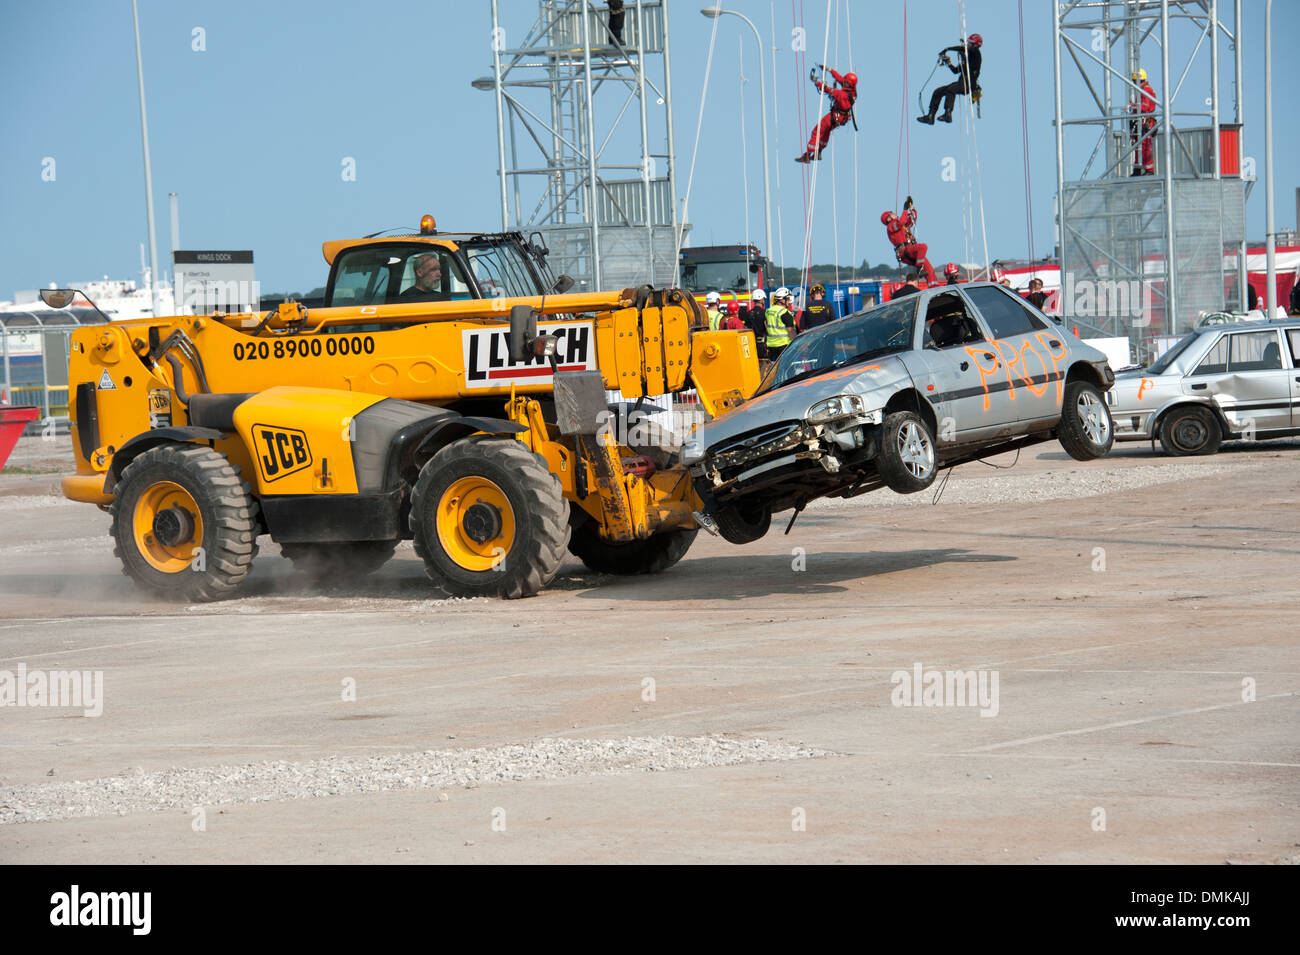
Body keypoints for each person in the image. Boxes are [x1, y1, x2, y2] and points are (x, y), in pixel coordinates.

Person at [918, 34, 982, 125]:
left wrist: (948, 49)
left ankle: (948, 113)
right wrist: (948, 63)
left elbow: (964, 49)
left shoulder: (976, 54)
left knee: (951, 89)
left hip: (969, 84)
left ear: (975, 45)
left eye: (970, 43)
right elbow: (956, 71)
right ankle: (930, 116)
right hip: (962, 83)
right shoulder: (966, 61)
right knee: (938, 91)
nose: (967, 44)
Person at [796, 66, 857, 162]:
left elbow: (827, 89)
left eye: (845, 81)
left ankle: (807, 154)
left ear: (848, 83)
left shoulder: (840, 94)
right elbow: (840, 79)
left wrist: (816, 82)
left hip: (835, 116)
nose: (843, 81)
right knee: (826, 132)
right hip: (842, 118)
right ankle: (819, 152)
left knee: (817, 131)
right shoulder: (852, 92)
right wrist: (829, 70)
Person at [882, 196, 938, 284]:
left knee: (929, 269)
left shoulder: (900, 225)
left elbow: (911, 219)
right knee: (923, 247)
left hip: (910, 250)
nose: (894, 213)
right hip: (904, 251)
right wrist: (905, 209)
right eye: (891, 213)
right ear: (888, 218)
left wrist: (912, 208)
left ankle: (934, 286)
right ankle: (919, 268)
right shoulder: (891, 226)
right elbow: (901, 223)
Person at [1129, 69, 1157, 176]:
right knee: (1138, 146)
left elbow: (1144, 107)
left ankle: (1149, 170)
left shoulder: (1146, 90)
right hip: (1141, 121)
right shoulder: (1142, 90)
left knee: (1145, 147)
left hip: (1145, 121)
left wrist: (1133, 107)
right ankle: (1137, 169)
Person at [764, 287, 796, 360]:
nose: (789, 301)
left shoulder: (768, 311)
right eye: (787, 299)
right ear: (782, 300)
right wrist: (796, 344)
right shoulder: (785, 313)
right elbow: (791, 331)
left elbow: (766, 326)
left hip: (771, 346)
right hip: (783, 345)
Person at [744, 288, 769, 358]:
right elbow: (767, 329)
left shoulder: (748, 313)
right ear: (761, 300)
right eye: (764, 299)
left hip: (751, 344)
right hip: (762, 344)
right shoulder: (764, 313)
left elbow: (745, 329)